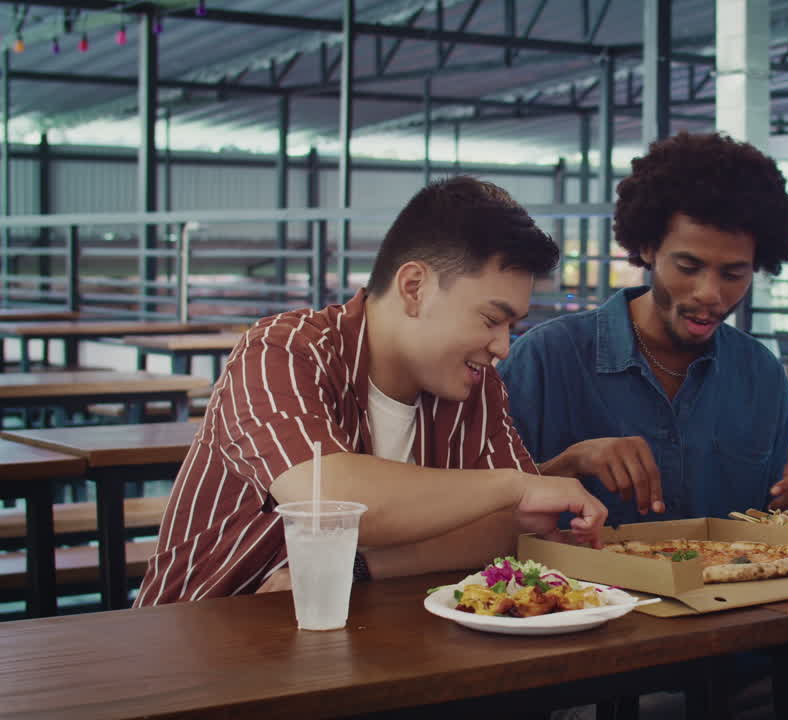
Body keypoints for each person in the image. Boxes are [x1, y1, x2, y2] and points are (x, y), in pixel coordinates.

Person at [503, 132, 788, 719]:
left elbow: (776, 540)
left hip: (746, 660)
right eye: (689, 266)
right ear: (648, 246)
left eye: (734, 274)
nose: (711, 294)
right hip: (599, 669)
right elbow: (488, 530)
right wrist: (565, 468)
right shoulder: (547, 359)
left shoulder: (758, 372)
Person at [135, 176, 606, 606]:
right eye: (491, 320)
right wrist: (514, 485)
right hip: (200, 648)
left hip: (362, 648)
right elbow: (326, 500)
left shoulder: (472, 387)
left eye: (512, 325)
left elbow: (515, 530)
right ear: (414, 287)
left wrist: (359, 567)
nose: (503, 346)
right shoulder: (283, 352)